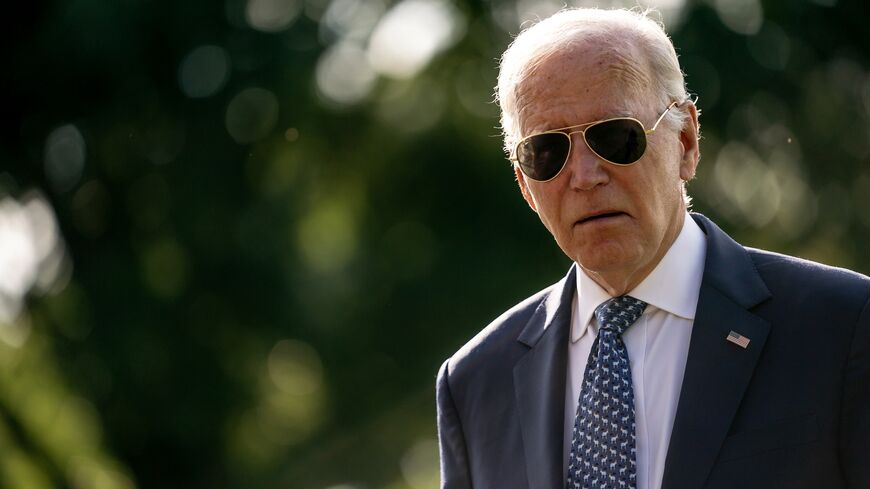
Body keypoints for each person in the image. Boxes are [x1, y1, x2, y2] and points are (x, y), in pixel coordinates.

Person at [435, 7, 870, 489]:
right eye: (547, 152)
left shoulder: (842, 326)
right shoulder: (474, 382)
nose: (583, 177)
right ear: (524, 184)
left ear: (685, 140)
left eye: (615, 137)